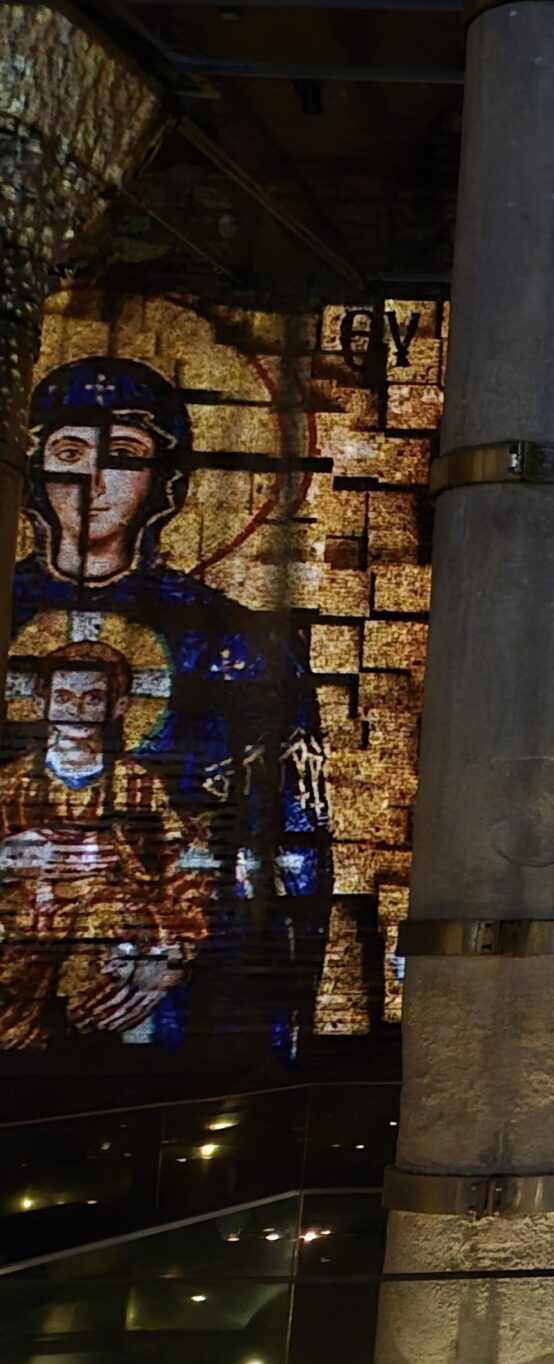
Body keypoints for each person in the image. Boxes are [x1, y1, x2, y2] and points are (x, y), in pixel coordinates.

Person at [15, 357, 332, 1049]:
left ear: (165, 482)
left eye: (124, 455)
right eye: (68, 453)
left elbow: (285, 844)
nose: (92, 482)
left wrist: (179, 952)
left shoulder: (240, 642)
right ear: (34, 468)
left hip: (178, 983)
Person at [0, 640, 212, 1047]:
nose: (78, 710)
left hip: (114, 960)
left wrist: (172, 957)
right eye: (64, 697)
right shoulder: (11, 785)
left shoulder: (141, 787)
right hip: (20, 965)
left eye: (93, 698)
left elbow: (183, 872)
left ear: (119, 706)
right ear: (41, 702)